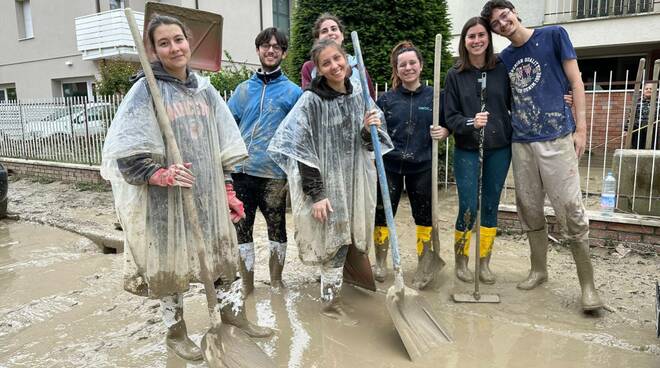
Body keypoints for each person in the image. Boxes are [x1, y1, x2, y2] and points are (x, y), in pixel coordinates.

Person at [100, 15, 272, 362]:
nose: (173, 48)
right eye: (163, 43)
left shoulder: (204, 90)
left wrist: (227, 190)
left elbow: (222, 148)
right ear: (154, 50)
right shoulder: (145, 90)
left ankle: (232, 316)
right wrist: (160, 174)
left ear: (189, 42)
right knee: (171, 268)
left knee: (225, 258)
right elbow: (125, 156)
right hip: (165, 201)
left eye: (178, 40)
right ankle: (175, 333)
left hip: (207, 196)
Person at [482, 0, 603, 311]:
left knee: (570, 208)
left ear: (514, 11)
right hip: (521, 142)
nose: (502, 23)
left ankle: (587, 286)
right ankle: (539, 269)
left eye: (504, 15)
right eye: (496, 23)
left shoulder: (553, 35)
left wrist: (581, 130)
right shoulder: (505, 59)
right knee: (529, 208)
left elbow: (576, 83)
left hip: (557, 137)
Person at [268, 39, 392, 324]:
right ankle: (331, 306)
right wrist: (317, 194)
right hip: (325, 185)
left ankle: (337, 295)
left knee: (348, 240)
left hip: (353, 182)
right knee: (332, 244)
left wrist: (368, 128)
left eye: (338, 59)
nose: (335, 66)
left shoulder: (359, 94)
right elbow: (301, 149)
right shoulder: (311, 101)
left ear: (347, 60)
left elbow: (367, 144)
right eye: (326, 63)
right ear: (319, 70)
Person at [227, 27, 302, 295]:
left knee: (277, 229)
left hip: (274, 175)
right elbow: (227, 126)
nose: (271, 50)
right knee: (241, 230)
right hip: (241, 172)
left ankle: (276, 281)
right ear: (258, 50)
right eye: (265, 46)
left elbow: (300, 136)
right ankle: (247, 284)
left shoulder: (294, 93)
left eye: (276, 47)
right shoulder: (243, 89)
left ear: (283, 53)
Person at [439, 17, 512, 285]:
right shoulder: (455, 74)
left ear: (488, 39)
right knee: (469, 206)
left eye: (482, 35)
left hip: (499, 147)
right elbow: (451, 116)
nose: (477, 40)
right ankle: (461, 261)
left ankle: (484, 264)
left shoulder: (502, 69)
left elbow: (516, 102)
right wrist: (471, 122)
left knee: (490, 205)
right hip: (468, 148)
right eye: (471, 36)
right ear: (464, 41)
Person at [372, 41, 449, 289]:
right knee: (383, 213)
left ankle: (424, 262)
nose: (408, 68)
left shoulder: (435, 96)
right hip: (390, 166)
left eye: (412, 63)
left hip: (422, 165)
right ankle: (381, 262)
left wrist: (444, 131)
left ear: (421, 65)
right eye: (402, 64)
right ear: (396, 69)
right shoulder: (386, 100)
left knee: (424, 216)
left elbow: (449, 124)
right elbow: (376, 133)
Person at [300, 13, 376, 100]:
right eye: (324, 31)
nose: (330, 33)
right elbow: (309, 101)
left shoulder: (358, 66)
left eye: (334, 29)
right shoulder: (310, 67)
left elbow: (371, 100)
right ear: (318, 39)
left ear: (342, 35)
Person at [628, 82, 658, 149]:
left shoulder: (658, 102)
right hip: (638, 128)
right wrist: (626, 129)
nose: (648, 90)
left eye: (651, 89)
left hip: (653, 129)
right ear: (643, 91)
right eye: (646, 88)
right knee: (637, 147)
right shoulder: (637, 102)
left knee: (652, 147)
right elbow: (630, 116)